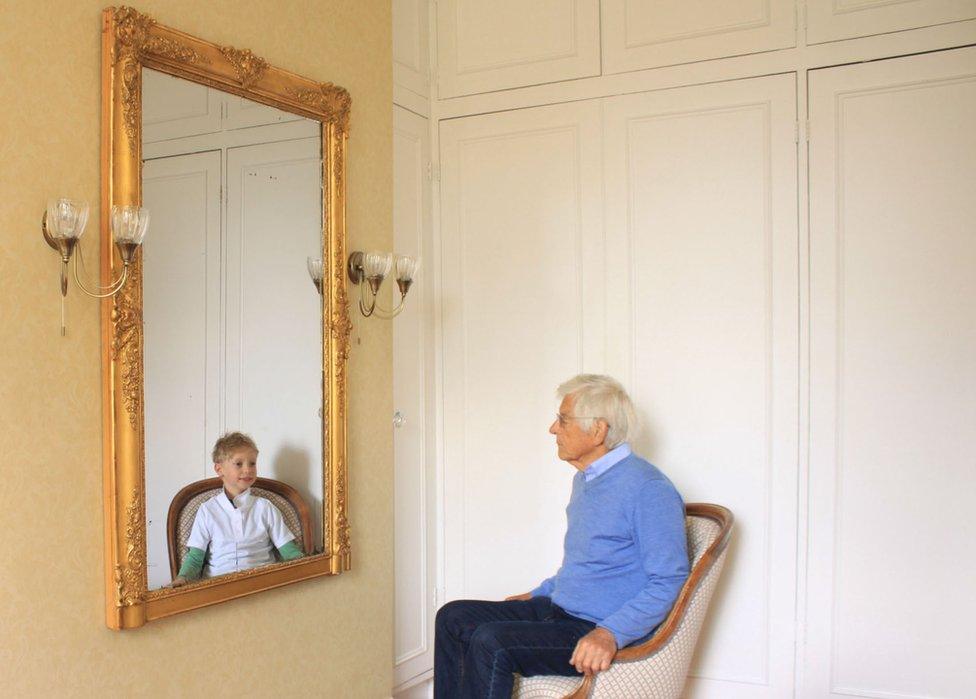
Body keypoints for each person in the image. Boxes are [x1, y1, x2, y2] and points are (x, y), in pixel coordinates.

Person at [434, 375, 689, 698]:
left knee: (491, 641)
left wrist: (610, 633)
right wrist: (539, 592)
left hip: (592, 627)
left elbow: (668, 578)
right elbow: (589, 562)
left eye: (563, 420)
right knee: (453, 617)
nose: (553, 429)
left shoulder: (648, 489)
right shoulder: (587, 480)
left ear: (598, 430)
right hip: (559, 610)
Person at [171, 432, 303, 586]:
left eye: (252, 463)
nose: (247, 470)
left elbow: (289, 551)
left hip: (262, 584)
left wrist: (308, 568)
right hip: (218, 586)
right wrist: (183, 578)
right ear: (219, 469)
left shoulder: (266, 507)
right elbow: (195, 558)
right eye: (239, 464)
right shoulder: (207, 510)